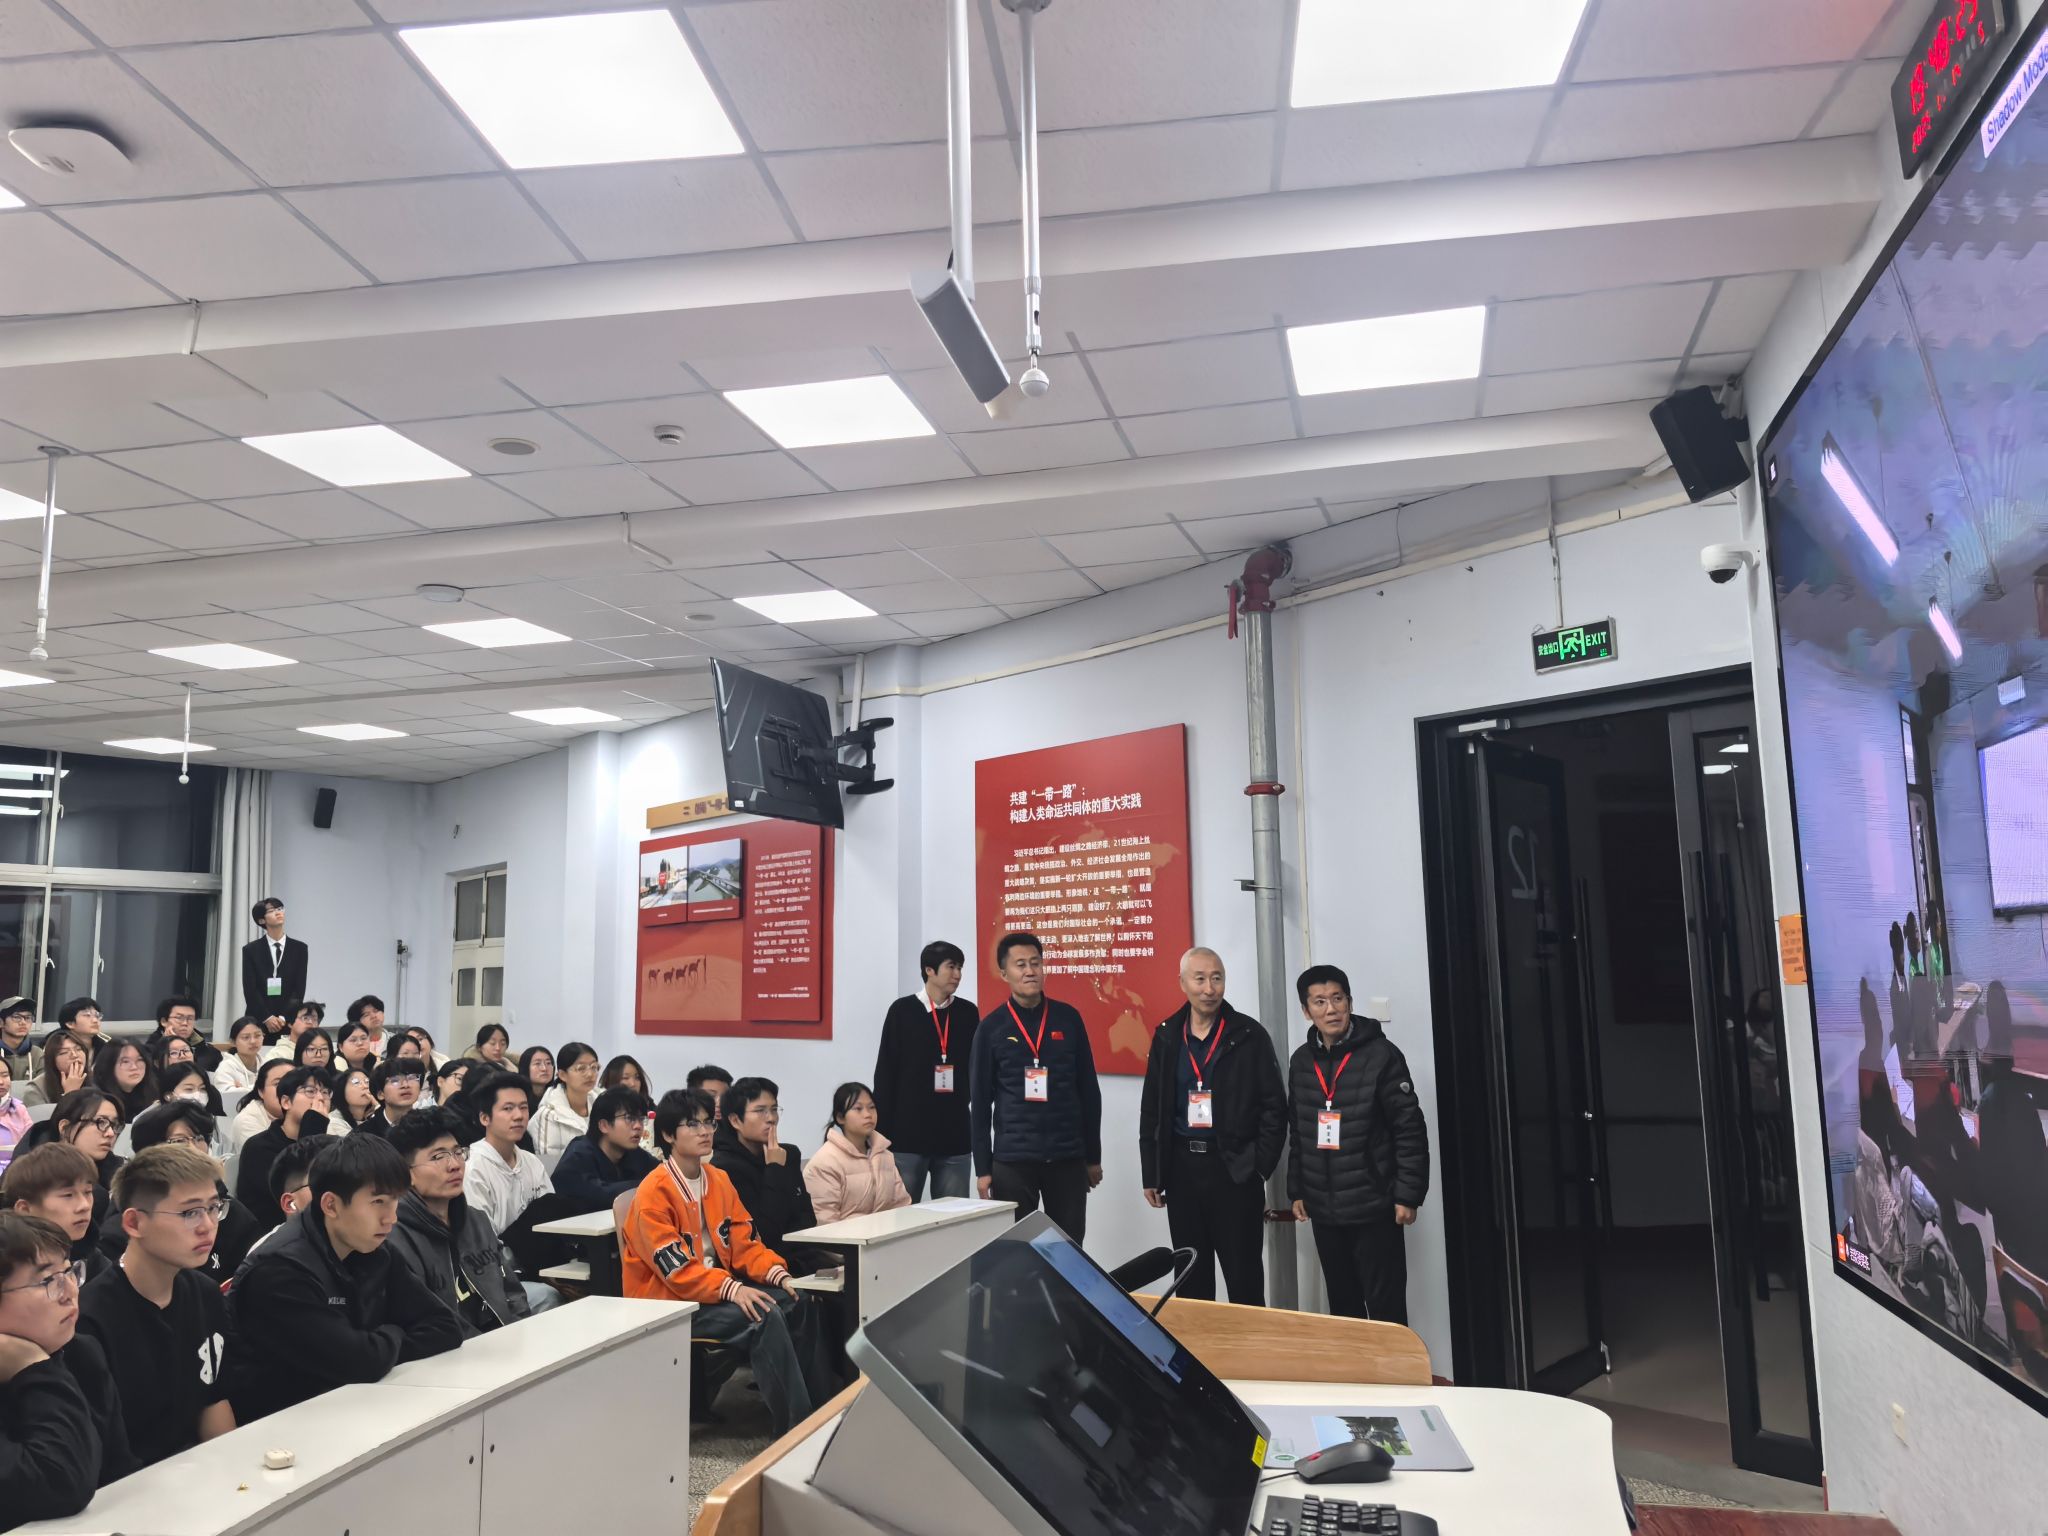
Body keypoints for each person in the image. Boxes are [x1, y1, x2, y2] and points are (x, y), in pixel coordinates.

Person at [225, 1135, 463, 1422]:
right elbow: (359, 1362)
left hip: (353, 1408)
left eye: (395, 1201)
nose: (391, 1218)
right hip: (282, 1427)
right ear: (331, 1205)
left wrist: (377, 1345)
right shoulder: (278, 1271)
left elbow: (444, 1326)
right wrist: (394, 1332)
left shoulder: (372, 1248)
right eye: (377, 1201)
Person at [621, 1088, 817, 1434]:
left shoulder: (718, 1179)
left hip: (713, 1290)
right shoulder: (653, 1193)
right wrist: (734, 1289)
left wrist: (777, 1274)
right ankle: (796, 1430)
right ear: (668, 1134)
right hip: (669, 1301)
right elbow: (677, 1273)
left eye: (708, 1123)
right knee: (764, 1315)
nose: (705, 1131)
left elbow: (745, 1243)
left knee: (798, 1300)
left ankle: (819, 1411)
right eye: (692, 1124)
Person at [1137, 947, 1287, 1305]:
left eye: (1216, 978)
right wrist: (1152, 1172)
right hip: (1182, 1171)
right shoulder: (1167, 1035)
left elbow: (1275, 1107)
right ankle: (1195, 1343)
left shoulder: (1249, 1035)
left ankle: (1249, 1343)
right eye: (1200, 979)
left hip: (1233, 1170)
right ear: (1182, 983)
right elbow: (1152, 1108)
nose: (1209, 988)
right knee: (1191, 1277)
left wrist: (1258, 1167)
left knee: (1243, 1276)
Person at [1285, 965, 1430, 1325]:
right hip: (1324, 1209)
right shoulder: (1301, 1061)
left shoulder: (1381, 1055)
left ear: (1349, 1003)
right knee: (1343, 1312)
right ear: (1306, 1011)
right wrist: (1297, 1188)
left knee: (1385, 1311)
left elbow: (1409, 1128)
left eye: (1338, 999)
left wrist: (1408, 1194)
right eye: (1320, 1002)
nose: (1331, 1009)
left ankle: (1395, 1367)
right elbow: (1299, 1129)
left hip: (1373, 1206)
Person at [79, 1145, 234, 1467]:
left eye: (213, 1208)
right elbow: (104, 1454)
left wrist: (234, 1473)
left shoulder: (205, 1294)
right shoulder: (89, 1319)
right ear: (134, 1223)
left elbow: (212, 1398)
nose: (207, 1225)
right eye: (190, 1213)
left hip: (198, 1472)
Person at [970, 932, 1103, 1240]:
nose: (1030, 971)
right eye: (1020, 965)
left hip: (1067, 1157)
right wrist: (983, 1169)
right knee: (1017, 1249)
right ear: (1004, 973)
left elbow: (1088, 1090)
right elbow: (980, 1103)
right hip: (1013, 1161)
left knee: (1068, 1247)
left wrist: (1092, 1156)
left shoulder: (1068, 1019)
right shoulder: (991, 1028)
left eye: (1036, 963)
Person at [0, 1211, 135, 1516]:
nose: (71, 1292)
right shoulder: (50, 1362)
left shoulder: (81, 1354)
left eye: (69, 1272)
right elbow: (61, 1482)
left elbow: (120, 1474)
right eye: (48, 1281)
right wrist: (31, 1366)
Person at [385, 1107, 538, 1336]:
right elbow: (423, 1321)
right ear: (406, 1174)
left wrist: (519, 1333)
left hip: (503, 1341)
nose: (455, 1165)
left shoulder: (476, 1220)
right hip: (452, 1349)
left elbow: (512, 1291)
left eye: (458, 1152)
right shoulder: (395, 1237)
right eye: (438, 1157)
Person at [873, 940, 980, 1201]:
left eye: (960, 968)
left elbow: (976, 1070)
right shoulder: (902, 1011)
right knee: (902, 1215)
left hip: (954, 1135)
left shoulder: (968, 1013)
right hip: (907, 1137)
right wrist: (881, 1136)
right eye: (951, 967)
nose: (958, 974)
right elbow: (886, 1074)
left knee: (954, 1216)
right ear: (929, 970)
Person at [106, 1103, 259, 1281]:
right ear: (149, 1151)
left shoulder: (230, 1210)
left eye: (199, 1138)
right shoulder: (123, 1228)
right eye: (180, 1141)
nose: (192, 1149)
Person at [713, 1076, 819, 1265]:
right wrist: (774, 1169)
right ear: (735, 1120)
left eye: (774, 1109)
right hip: (762, 1266)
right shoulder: (725, 1168)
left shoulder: (789, 1154)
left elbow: (808, 1220)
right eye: (760, 1111)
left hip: (805, 1256)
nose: (771, 1118)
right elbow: (764, 1234)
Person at [236, 1067, 333, 1232]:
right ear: (286, 1102)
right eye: (310, 1091)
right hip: (274, 1232)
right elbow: (300, 1194)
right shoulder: (259, 1147)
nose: (320, 1098)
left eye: (325, 1092)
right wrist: (313, 1130)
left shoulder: (329, 1144)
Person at [462, 1071, 553, 1239]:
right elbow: (482, 1238)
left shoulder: (532, 1162)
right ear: (485, 1118)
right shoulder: (473, 1168)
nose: (518, 1116)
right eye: (508, 1108)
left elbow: (552, 1220)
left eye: (523, 1107)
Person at [805, 1083, 910, 1224]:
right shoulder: (825, 1162)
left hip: (885, 1235)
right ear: (840, 1117)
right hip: (846, 1237)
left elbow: (902, 1206)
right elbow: (824, 1221)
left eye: (872, 1107)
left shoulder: (885, 1156)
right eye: (858, 1109)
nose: (868, 1114)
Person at [4, 1144, 107, 1281]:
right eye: (68, 1195)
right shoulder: (8, 1271)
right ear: (25, 1209)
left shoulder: (95, 1263)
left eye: (88, 1192)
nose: (85, 1205)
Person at [552, 1087, 656, 1212]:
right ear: (604, 1125)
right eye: (629, 1118)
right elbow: (596, 1195)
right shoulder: (578, 1154)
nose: (639, 1126)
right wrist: (648, 1185)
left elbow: (664, 1176)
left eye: (641, 1119)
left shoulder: (635, 1154)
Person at [51, 1089, 124, 1218]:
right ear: (65, 1128)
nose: (111, 1133)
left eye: (114, 1125)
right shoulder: (35, 1174)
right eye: (101, 1122)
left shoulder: (118, 1173)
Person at [241, 897, 309, 1036]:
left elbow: (299, 989)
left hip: (287, 1020)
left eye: (280, 909)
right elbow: (250, 989)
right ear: (262, 920)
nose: (278, 913)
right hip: (259, 1019)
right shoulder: (251, 950)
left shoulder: (300, 948)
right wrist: (267, 1018)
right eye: (271, 911)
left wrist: (283, 1017)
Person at [532, 1041, 599, 1158]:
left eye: (594, 1067)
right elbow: (549, 1163)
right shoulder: (549, 1115)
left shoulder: (603, 1105)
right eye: (581, 1068)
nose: (590, 1074)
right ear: (562, 1075)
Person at [230, 1059, 292, 1150]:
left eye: (294, 1083)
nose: (286, 1089)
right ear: (261, 1091)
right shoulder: (246, 1121)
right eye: (278, 1084)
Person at [148, 996, 220, 1075]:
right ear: (164, 1021)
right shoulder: (149, 1052)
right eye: (179, 1018)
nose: (185, 1023)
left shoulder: (209, 1052)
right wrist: (165, 1045)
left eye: (190, 1018)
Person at [91, 1039, 157, 1125]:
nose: (134, 1067)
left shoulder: (153, 1094)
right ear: (108, 1065)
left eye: (140, 1060)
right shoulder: (97, 1101)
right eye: (125, 1061)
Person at [22, 1028, 90, 1109]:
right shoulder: (35, 1090)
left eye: (78, 1049)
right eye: (64, 1052)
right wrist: (69, 1093)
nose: (74, 1055)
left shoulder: (97, 1080)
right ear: (52, 1060)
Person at [358, 1059, 425, 1139]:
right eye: (395, 1080)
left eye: (412, 1078)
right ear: (380, 1094)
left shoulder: (429, 1125)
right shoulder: (364, 1135)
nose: (405, 1085)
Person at [213, 1016, 266, 1099]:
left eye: (257, 1035)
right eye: (246, 1037)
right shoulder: (226, 1067)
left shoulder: (268, 1065)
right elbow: (228, 1098)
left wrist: (243, 1090)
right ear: (233, 1042)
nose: (253, 1041)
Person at [262, 1001, 326, 1063]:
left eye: (314, 1019)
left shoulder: (323, 1052)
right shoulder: (277, 1055)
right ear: (290, 1023)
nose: (310, 1022)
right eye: (305, 1018)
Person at [0, 1054, 30, 1179]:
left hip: (20, 1174)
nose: (1, 1082)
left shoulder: (19, 1108)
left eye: (5, 1075)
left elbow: (31, 1144)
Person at [0, 995, 38, 1079]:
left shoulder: (37, 1054)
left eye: (28, 1017)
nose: (23, 1022)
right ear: (1, 1022)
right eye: (17, 1017)